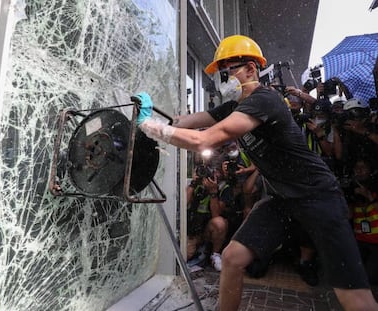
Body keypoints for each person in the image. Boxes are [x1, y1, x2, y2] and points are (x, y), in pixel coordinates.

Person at [134, 34, 378, 311]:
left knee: (353, 296)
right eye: (222, 74)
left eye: (230, 71)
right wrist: (148, 115)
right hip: (281, 198)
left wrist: (150, 127)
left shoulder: (265, 100)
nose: (226, 79)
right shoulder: (234, 106)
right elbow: (182, 123)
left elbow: (205, 139)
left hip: (317, 197)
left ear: (251, 69)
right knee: (232, 257)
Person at [186, 162, 228, 272]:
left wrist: (213, 192)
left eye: (215, 172)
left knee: (220, 223)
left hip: (207, 229)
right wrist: (193, 183)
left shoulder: (223, 187)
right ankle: (196, 248)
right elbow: (183, 203)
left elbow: (216, 215)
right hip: (192, 227)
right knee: (187, 254)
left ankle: (215, 254)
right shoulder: (196, 184)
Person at [346, 157, 378, 285]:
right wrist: (348, 198)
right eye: (357, 168)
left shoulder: (375, 188)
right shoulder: (352, 191)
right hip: (360, 240)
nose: (360, 171)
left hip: (376, 243)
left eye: (363, 167)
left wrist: (368, 196)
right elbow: (348, 216)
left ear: (370, 170)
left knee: (371, 278)